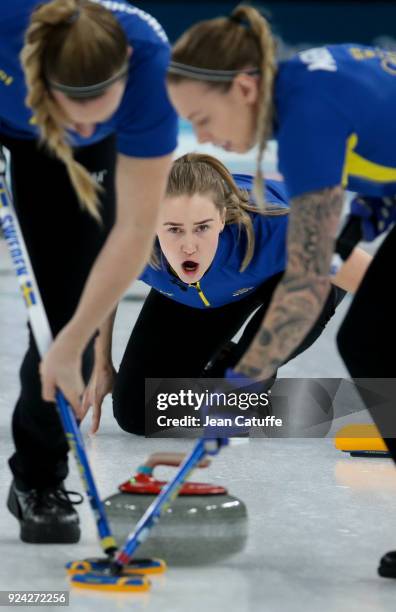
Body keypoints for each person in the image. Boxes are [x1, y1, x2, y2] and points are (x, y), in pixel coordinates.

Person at [165, 5, 396, 575]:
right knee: (371, 336)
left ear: (243, 87)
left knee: (369, 338)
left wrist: (239, 386)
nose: (202, 137)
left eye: (203, 117)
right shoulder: (308, 86)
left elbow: (305, 284)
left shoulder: (304, 118)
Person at [1, 0, 177, 543]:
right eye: (73, 106)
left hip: (73, 159)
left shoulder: (148, 61)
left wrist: (72, 340)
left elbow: (133, 230)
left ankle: (38, 480)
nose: (86, 120)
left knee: (64, 322)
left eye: (101, 109)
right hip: (13, 122)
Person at [81, 153, 370, 436]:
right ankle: (233, 376)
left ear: (221, 218)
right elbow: (103, 285)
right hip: (202, 293)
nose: (189, 246)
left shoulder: (276, 229)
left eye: (202, 227)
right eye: (174, 230)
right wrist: (101, 362)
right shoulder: (128, 238)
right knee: (138, 413)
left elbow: (378, 284)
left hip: (292, 274)